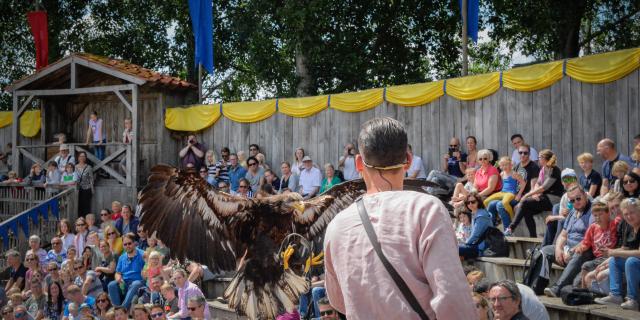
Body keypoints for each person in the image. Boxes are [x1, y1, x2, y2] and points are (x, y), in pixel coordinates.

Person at [324, 117, 476, 319]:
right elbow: (453, 298)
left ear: (359, 163)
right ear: (408, 159)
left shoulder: (337, 225)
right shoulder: (426, 210)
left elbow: (339, 301)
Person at [541, 186, 594, 297]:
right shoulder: (572, 212)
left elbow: (589, 239)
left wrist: (571, 251)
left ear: (585, 195)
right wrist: (558, 249)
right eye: (572, 200)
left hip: (584, 249)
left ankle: (557, 288)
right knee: (544, 251)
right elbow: (563, 235)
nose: (576, 202)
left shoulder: (592, 211)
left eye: (578, 198)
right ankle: (537, 286)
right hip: (568, 249)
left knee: (580, 252)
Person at [594, 197, 640, 310]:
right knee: (615, 260)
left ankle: (632, 299)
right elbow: (624, 249)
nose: (629, 216)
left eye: (632, 213)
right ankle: (615, 295)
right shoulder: (629, 226)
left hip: (635, 262)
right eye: (626, 214)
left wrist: (613, 252)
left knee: (631, 261)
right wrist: (606, 260)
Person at [506, 149, 563, 237]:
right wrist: (535, 194)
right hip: (544, 197)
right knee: (527, 211)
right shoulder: (543, 169)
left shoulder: (554, 170)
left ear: (545, 158)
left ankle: (511, 228)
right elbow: (538, 183)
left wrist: (527, 195)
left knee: (525, 202)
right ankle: (533, 236)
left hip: (553, 199)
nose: (538, 159)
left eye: (539, 157)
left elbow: (544, 187)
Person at [575, 200, 619, 290]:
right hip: (598, 258)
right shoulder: (593, 227)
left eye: (601, 214)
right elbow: (586, 243)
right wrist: (581, 248)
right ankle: (584, 290)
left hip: (610, 256)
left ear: (608, 214)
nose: (598, 218)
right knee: (577, 281)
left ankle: (584, 291)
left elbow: (619, 217)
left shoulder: (614, 224)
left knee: (586, 266)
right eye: (595, 215)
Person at [484, 157, 525, 229]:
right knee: (486, 201)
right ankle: (495, 220)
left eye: (506, 165)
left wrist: (519, 194)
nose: (504, 167)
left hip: (511, 193)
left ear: (510, 165)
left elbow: (523, 183)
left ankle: (512, 217)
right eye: (502, 165)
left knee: (504, 203)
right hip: (503, 192)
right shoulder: (502, 173)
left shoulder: (514, 174)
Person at [108, 233, 145, 310]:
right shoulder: (122, 257)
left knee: (136, 283)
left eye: (129, 243)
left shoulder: (143, 255)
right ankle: (117, 309)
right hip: (124, 283)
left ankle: (122, 309)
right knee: (111, 284)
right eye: (125, 244)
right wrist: (118, 278)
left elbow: (148, 270)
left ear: (134, 243)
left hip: (138, 283)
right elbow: (117, 272)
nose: (127, 246)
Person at [459, 192, 493, 260]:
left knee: (454, 248)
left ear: (478, 202)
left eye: (473, 202)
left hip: (482, 247)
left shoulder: (481, 215)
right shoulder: (474, 213)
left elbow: (475, 235)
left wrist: (465, 244)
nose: (470, 204)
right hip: (476, 245)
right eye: (468, 202)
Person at [75, 151, 94, 218]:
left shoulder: (89, 167)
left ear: (85, 158)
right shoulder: (74, 167)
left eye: (84, 156)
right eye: (80, 156)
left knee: (86, 207)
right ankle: (80, 222)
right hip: (77, 189)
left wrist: (92, 190)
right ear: (78, 157)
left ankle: (87, 222)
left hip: (86, 189)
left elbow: (91, 179)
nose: (82, 158)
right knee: (78, 206)